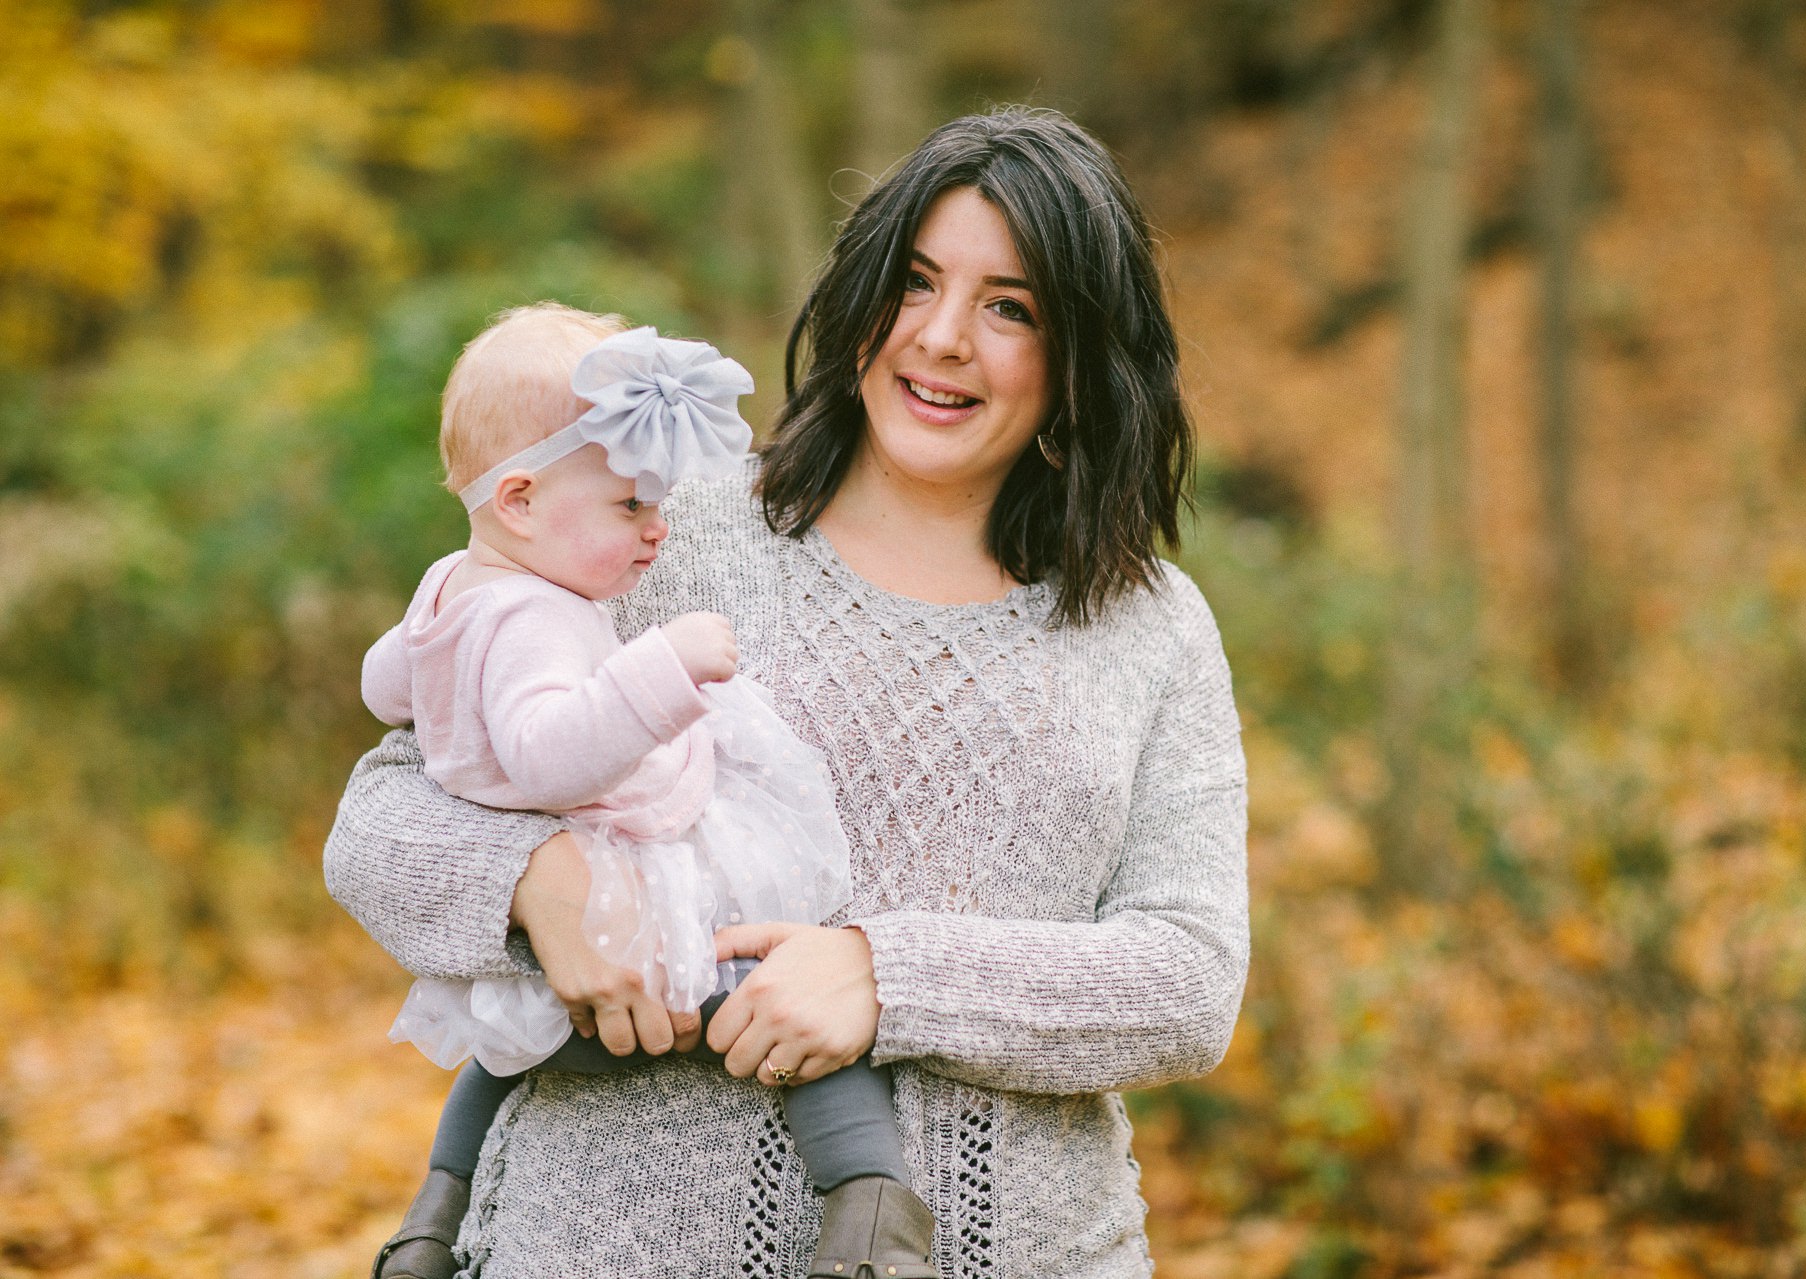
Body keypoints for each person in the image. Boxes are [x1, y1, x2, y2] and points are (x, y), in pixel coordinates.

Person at [327, 105, 1249, 1279]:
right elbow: (380, 815)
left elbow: (1188, 978)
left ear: (1083, 357)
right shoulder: (660, 534)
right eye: (914, 284)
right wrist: (531, 884)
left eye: (1009, 307)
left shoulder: (1148, 627)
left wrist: (888, 975)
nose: (944, 338)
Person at [359, 305, 934, 1279]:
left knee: (502, 1054)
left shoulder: (447, 590)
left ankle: (434, 1217)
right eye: (630, 506)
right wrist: (664, 665)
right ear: (523, 501)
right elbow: (547, 754)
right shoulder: (537, 617)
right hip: (623, 902)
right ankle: (872, 1204)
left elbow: (384, 686)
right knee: (774, 997)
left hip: (540, 959)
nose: (658, 529)